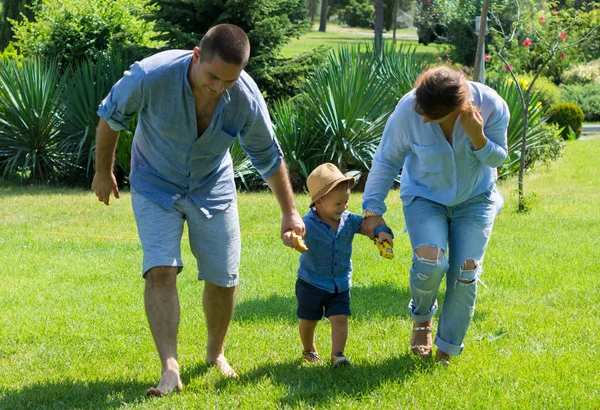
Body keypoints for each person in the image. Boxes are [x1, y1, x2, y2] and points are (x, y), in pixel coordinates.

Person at [92, 24, 305, 395]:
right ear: (196, 55)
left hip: (212, 183)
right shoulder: (150, 76)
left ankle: (216, 354)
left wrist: (290, 212)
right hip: (155, 180)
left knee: (224, 276)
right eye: (212, 76)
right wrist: (102, 171)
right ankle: (170, 367)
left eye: (229, 80)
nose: (219, 87)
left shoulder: (244, 95)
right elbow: (111, 118)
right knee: (161, 269)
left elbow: (268, 157)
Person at [361, 66, 509, 365]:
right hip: (424, 198)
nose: (425, 119)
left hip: (476, 199)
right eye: (422, 112)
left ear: (458, 108)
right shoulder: (409, 109)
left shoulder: (491, 105)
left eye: (433, 116)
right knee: (431, 262)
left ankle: (448, 347)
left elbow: (499, 158)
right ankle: (422, 319)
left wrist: (477, 137)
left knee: (465, 273)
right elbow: (387, 159)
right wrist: (372, 210)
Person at [283, 163, 394, 367]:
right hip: (311, 283)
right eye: (338, 203)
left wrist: (382, 232)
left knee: (340, 318)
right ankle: (309, 350)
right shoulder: (308, 223)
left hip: (340, 284)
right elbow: (295, 233)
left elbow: (368, 225)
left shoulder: (348, 220)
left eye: (346, 202)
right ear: (320, 201)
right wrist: (291, 237)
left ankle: (338, 355)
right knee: (309, 319)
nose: (344, 207)